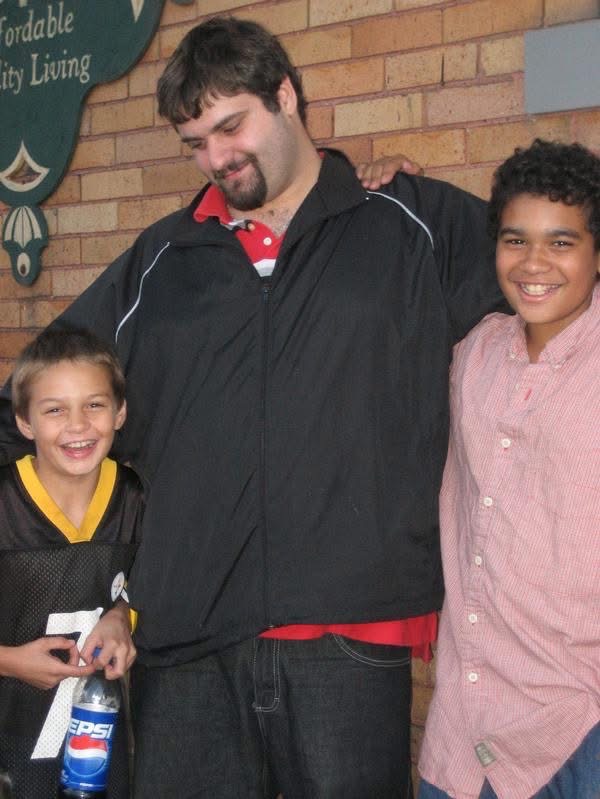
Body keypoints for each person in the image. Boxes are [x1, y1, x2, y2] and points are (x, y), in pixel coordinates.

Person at [0, 16, 507, 798]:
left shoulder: (410, 223)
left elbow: (552, 271)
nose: (216, 158)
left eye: (231, 127)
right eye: (195, 143)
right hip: (185, 644)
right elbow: (31, 402)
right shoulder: (161, 259)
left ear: (286, 94)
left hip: (348, 634)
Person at [417, 139, 600, 799]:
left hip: (578, 727)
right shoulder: (473, 353)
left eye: (561, 242)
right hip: (463, 729)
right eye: (515, 240)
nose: (533, 263)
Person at [0, 328, 144, 798]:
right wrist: (9, 661)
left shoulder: (138, 498)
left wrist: (123, 615)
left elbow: (151, 586)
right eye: (55, 410)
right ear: (24, 422)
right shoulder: (5, 501)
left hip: (99, 757)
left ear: (120, 412)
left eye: (94, 405)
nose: (78, 425)